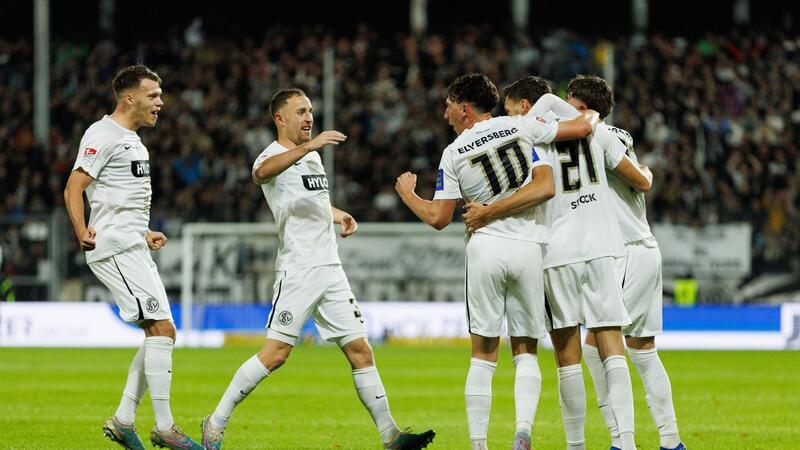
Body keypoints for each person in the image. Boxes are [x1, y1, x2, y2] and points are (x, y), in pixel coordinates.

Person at [200, 88, 435, 450]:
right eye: (300, 111)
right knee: (276, 354)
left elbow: (312, 201)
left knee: (361, 351)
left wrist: (337, 214)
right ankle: (214, 423)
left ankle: (391, 435)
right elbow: (260, 174)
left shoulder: (311, 160)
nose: (309, 117)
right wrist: (309, 147)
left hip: (331, 269)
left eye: (310, 110)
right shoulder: (274, 154)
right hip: (299, 269)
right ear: (280, 118)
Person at [394, 73, 597, 450]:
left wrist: (409, 195)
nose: (444, 115)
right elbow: (545, 186)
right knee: (525, 350)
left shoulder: (453, 153)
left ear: (465, 109)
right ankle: (522, 433)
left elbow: (439, 218)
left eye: (449, 107)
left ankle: (478, 445)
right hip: (529, 248)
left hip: (486, 248)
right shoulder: (519, 128)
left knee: (483, 355)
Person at [464, 75, 652, 450]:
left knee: (567, 357)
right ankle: (626, 443)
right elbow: (640, 179)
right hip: (601, 245)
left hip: (555, 251)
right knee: (612, 344)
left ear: (523, 106)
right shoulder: (597, 131)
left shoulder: (526, 138)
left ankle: (576, 445)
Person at [63, 65, 203, 450]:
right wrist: (81, 230)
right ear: (130, 98)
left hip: (132, 243)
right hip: (112, 248)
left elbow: (116, 200)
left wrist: (144, 230)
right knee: (161, 330)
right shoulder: (102, 134)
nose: (160, 102)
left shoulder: (134, 141)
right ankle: (164, 427)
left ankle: (124, 420)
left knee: (162, 332)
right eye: (153, 95)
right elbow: (74, 187)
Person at [564, 74, 685, 450]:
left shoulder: (601, 135)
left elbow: (643, 181)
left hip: (626, 251)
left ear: (584, 107)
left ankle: (620, 440)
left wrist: (645, 173)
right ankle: (670, 441)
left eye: (568, 101)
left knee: (596, 346)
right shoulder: (610, 135)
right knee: (642, 350)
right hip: (639, 248)